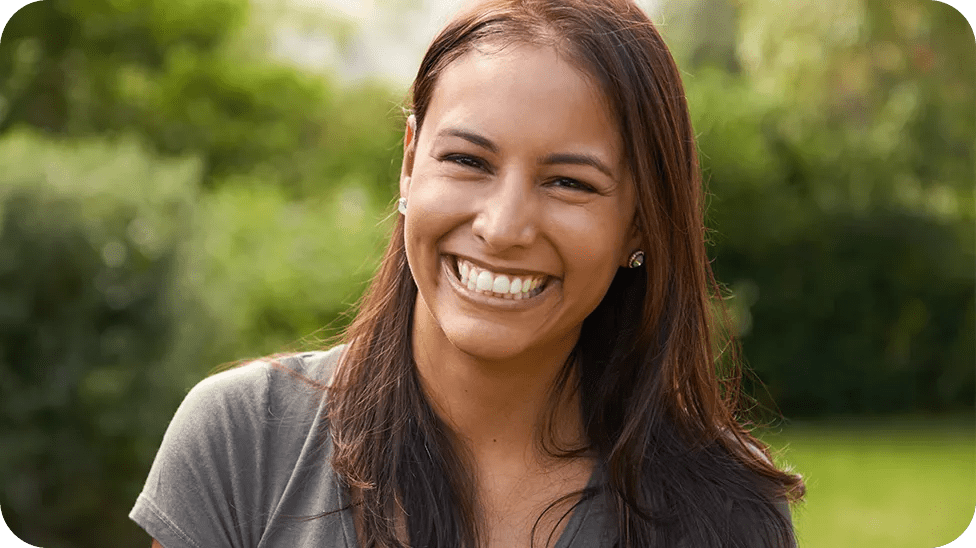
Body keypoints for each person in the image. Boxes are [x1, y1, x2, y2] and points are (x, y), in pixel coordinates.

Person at [130, 0, 805, 546]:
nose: (503, 226)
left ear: (639, 223)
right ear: (409, 160)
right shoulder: (243, 443)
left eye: (568, 181)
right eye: (468, 162)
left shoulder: (727, 512)